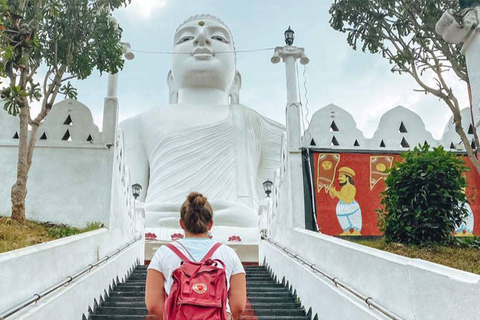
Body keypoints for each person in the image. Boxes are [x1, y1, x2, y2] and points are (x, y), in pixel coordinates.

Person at [120, 15, 284, 242]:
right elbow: (131, 198)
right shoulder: (139, 124)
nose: (201, 39)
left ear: (236, 81)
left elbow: (276, 195)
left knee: (246, 217)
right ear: (171, 79)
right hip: (160, 218)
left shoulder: (253, 122)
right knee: (145, 217)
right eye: (186, 37)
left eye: (217, 37)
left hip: (236, 220)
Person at [145, 192, 247, 319]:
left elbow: (153, 306)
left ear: (182, 223)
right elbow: (238, 306)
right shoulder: (229, 254)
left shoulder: (163, 253)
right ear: (210, 224)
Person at [328, 167, 362, 235]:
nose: (339, 179)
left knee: (355, 222)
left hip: (352, 208)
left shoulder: (351, 187)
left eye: (341, 176)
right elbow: (333, 196)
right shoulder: (343, 188)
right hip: (342, 210)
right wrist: (330, 189)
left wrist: (336, 192)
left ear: (347, 178)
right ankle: (346, 231)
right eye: (338, 177)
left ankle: (356, 232)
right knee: (343, 220)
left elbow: (348, 200)